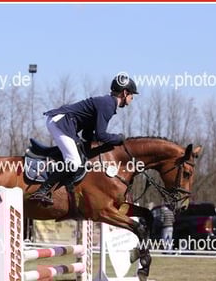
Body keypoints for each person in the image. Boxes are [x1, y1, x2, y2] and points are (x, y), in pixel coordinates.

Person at [29, 74, 139, 205]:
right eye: (132, 95)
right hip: (61, 122)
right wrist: (119, 138)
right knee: (74, 162)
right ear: (125, 93)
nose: (132, 98)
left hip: (64, 122)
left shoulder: (107, 103)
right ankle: (41, 191)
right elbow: (101, 135)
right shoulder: (108, 105)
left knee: (79, 152)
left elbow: (87, 135)